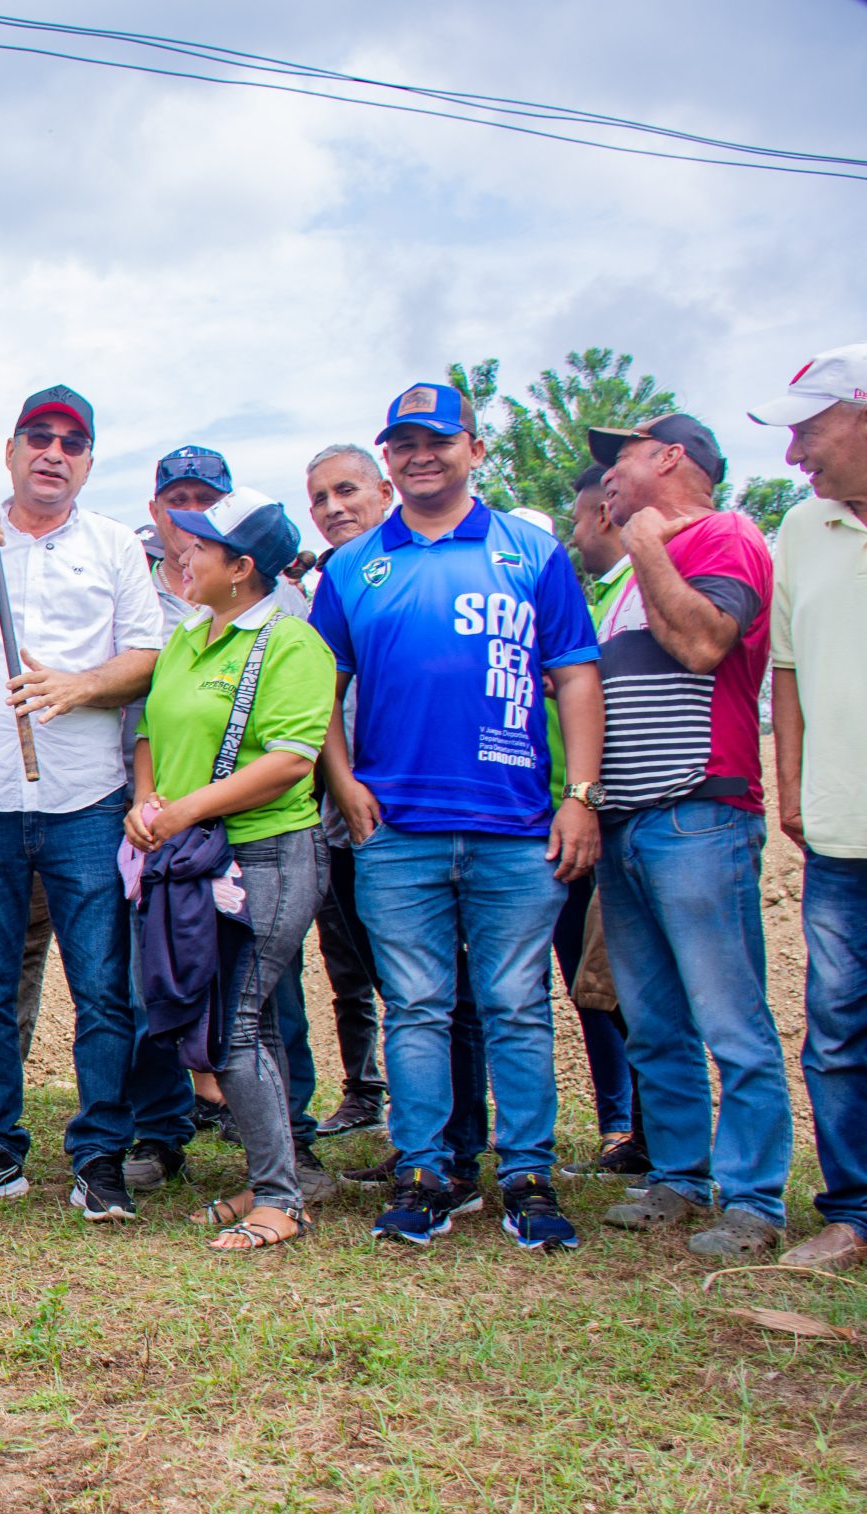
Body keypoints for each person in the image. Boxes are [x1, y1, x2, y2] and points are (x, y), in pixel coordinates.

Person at [313, 383, 604, 1250]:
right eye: (401, 443)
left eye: (436, 440)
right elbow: (320, 687)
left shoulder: (532, 552)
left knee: (517, 1003)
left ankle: (527, 1174)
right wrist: (343, 780)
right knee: (416, 1006)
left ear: (473, 449)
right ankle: (426, 1169)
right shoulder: (353, 566)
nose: (418, 455)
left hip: (515, 825)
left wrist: (580, 795)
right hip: (397, 830)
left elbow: (578, 675)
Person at [0, 384, 166, 1223]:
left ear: (89, 461)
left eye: (72, 441)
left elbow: (147, 658)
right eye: (39, 438)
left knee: (100, 987)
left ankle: (99, 1154)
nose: (54, 453)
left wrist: (81, 684)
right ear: (14, 452)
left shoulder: (111, 548)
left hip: (86, 801)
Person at [581, 415, 794, 1256]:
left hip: (699, 810)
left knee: (730, 1015)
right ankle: (677, 1175)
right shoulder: (633, 569)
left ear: (670, 457)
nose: (607, 477)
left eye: (620, 458)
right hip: (630, 817)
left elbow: (706, 642)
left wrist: (647, 544)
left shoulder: (725, 533)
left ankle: (754, 1200)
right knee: (655, 1017)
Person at [128, 490, 335, 1251]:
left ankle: (282, 1197)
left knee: (238, 1024)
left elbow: (288, 761)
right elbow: (149, 724)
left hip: (265, 855)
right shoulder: (189, 635)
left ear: (243, 568)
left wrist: (180, 813)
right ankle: (268, 1172)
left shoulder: (289, 644)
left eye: (202, 545)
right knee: (257, 1025)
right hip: (191, 857)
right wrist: (148, 798)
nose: (183, 550)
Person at [759, 341, 867, 1273]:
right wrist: (792, 786)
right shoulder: (803, 529)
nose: (797, 453)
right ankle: (854, 1211)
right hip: (844, 830)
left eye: (811, 428)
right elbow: (784, 669)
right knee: (837, 1027)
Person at [123, 446, 234, 1189]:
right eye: (177, 497)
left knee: (259, 975)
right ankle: (162, 1127)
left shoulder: (273, 601)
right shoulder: (137, 585)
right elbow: (142, 713)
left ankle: (278, 1127)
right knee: (155, 967)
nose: (188, 511)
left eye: (206, 499)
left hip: (249, 815)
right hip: (154, 813)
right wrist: (148, 798)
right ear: (156, 506)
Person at [548, 463, 644, 1181]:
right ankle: (624, 1122)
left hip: (597, 818)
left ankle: (632, 1125)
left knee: (615, 982)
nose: (582, 530)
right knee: (588, 984)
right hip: (545, 820)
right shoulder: (597, 599)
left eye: (582, 517)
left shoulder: (626, 598)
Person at [298, 446, 393, 1142]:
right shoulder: (328, 586)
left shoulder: (402, 569)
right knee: (347, 964)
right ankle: (365, 1090)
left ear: (383, 491)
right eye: (321, 498)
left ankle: (448, 1116)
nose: (334, 508)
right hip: (335, 811)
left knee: (420, 975)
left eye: (348, 490)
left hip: (405, 808)